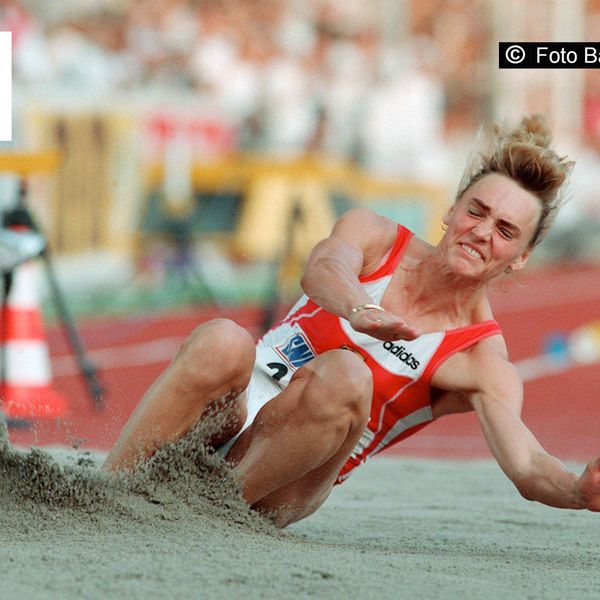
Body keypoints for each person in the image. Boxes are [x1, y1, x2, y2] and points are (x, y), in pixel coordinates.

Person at [103, 115, 600, 527]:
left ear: (519, 258)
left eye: (505, 230)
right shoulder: (375, 236)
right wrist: (359, 309)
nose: (482, 232)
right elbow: (322, 268)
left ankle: (204, 520)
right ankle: (105, 494)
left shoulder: (479, 359)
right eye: (477, 211)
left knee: (346, 373)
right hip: (232, 406)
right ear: (452, 210)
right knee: (222, 339)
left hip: (287, 477)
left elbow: (528, 464)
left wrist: (579, 490)